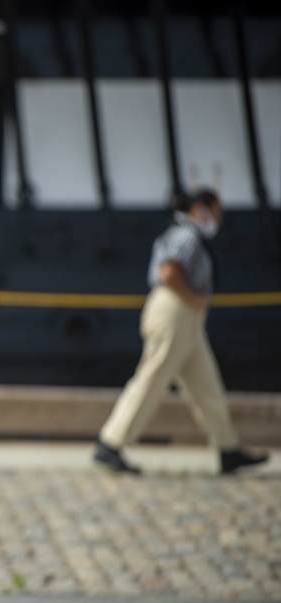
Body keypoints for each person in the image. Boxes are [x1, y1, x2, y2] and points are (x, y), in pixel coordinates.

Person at [94, 188, 269, 475]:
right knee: (152, 378)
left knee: (206, 385)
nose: (219, 218)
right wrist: (194, 298)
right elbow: (169, 272)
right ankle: (111, 443)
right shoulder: (186, 234)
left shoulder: (183, 233)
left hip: (186, 319)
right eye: (217, 211)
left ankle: (228, 449)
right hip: (175, 313)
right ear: (201, 208)